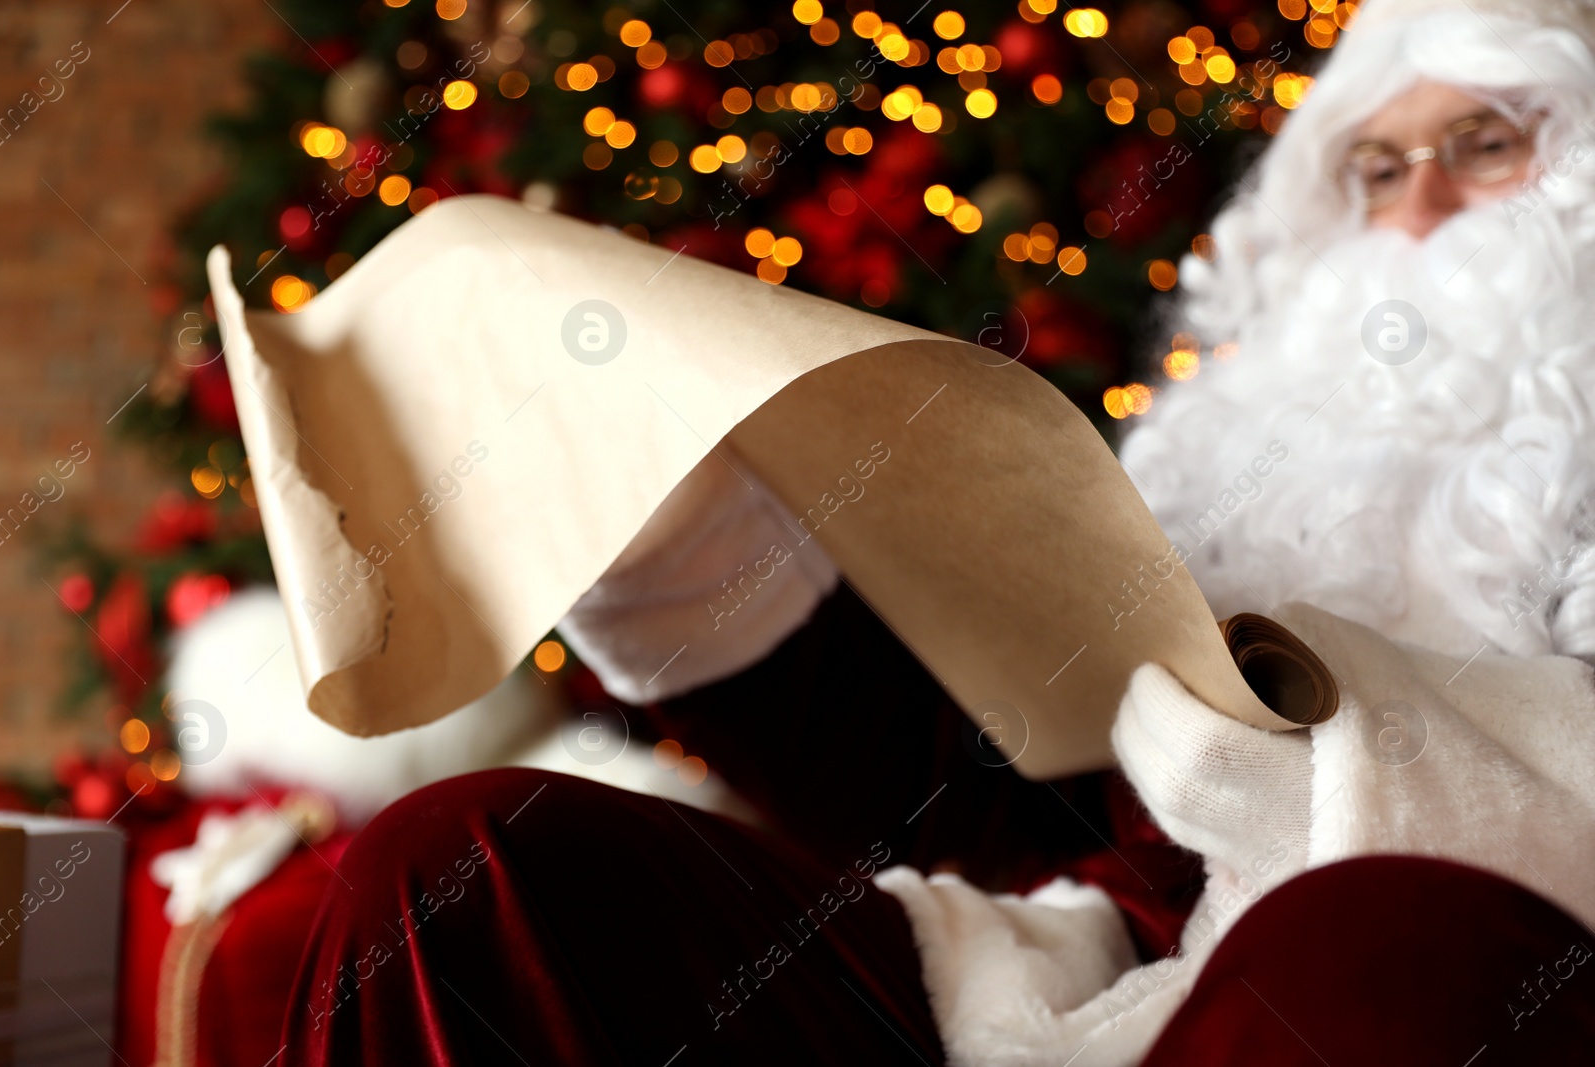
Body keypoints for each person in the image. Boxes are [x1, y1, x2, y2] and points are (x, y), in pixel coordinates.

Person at [279, 1, 1595, 1063]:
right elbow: (966, 809)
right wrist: (650, 503)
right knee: (474, 868)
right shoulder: (1249, 479)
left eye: (1485, 145)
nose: (1416, 215)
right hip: (1085, 976)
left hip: (1429, 976)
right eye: (1376, 166)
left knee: (1370, 942)